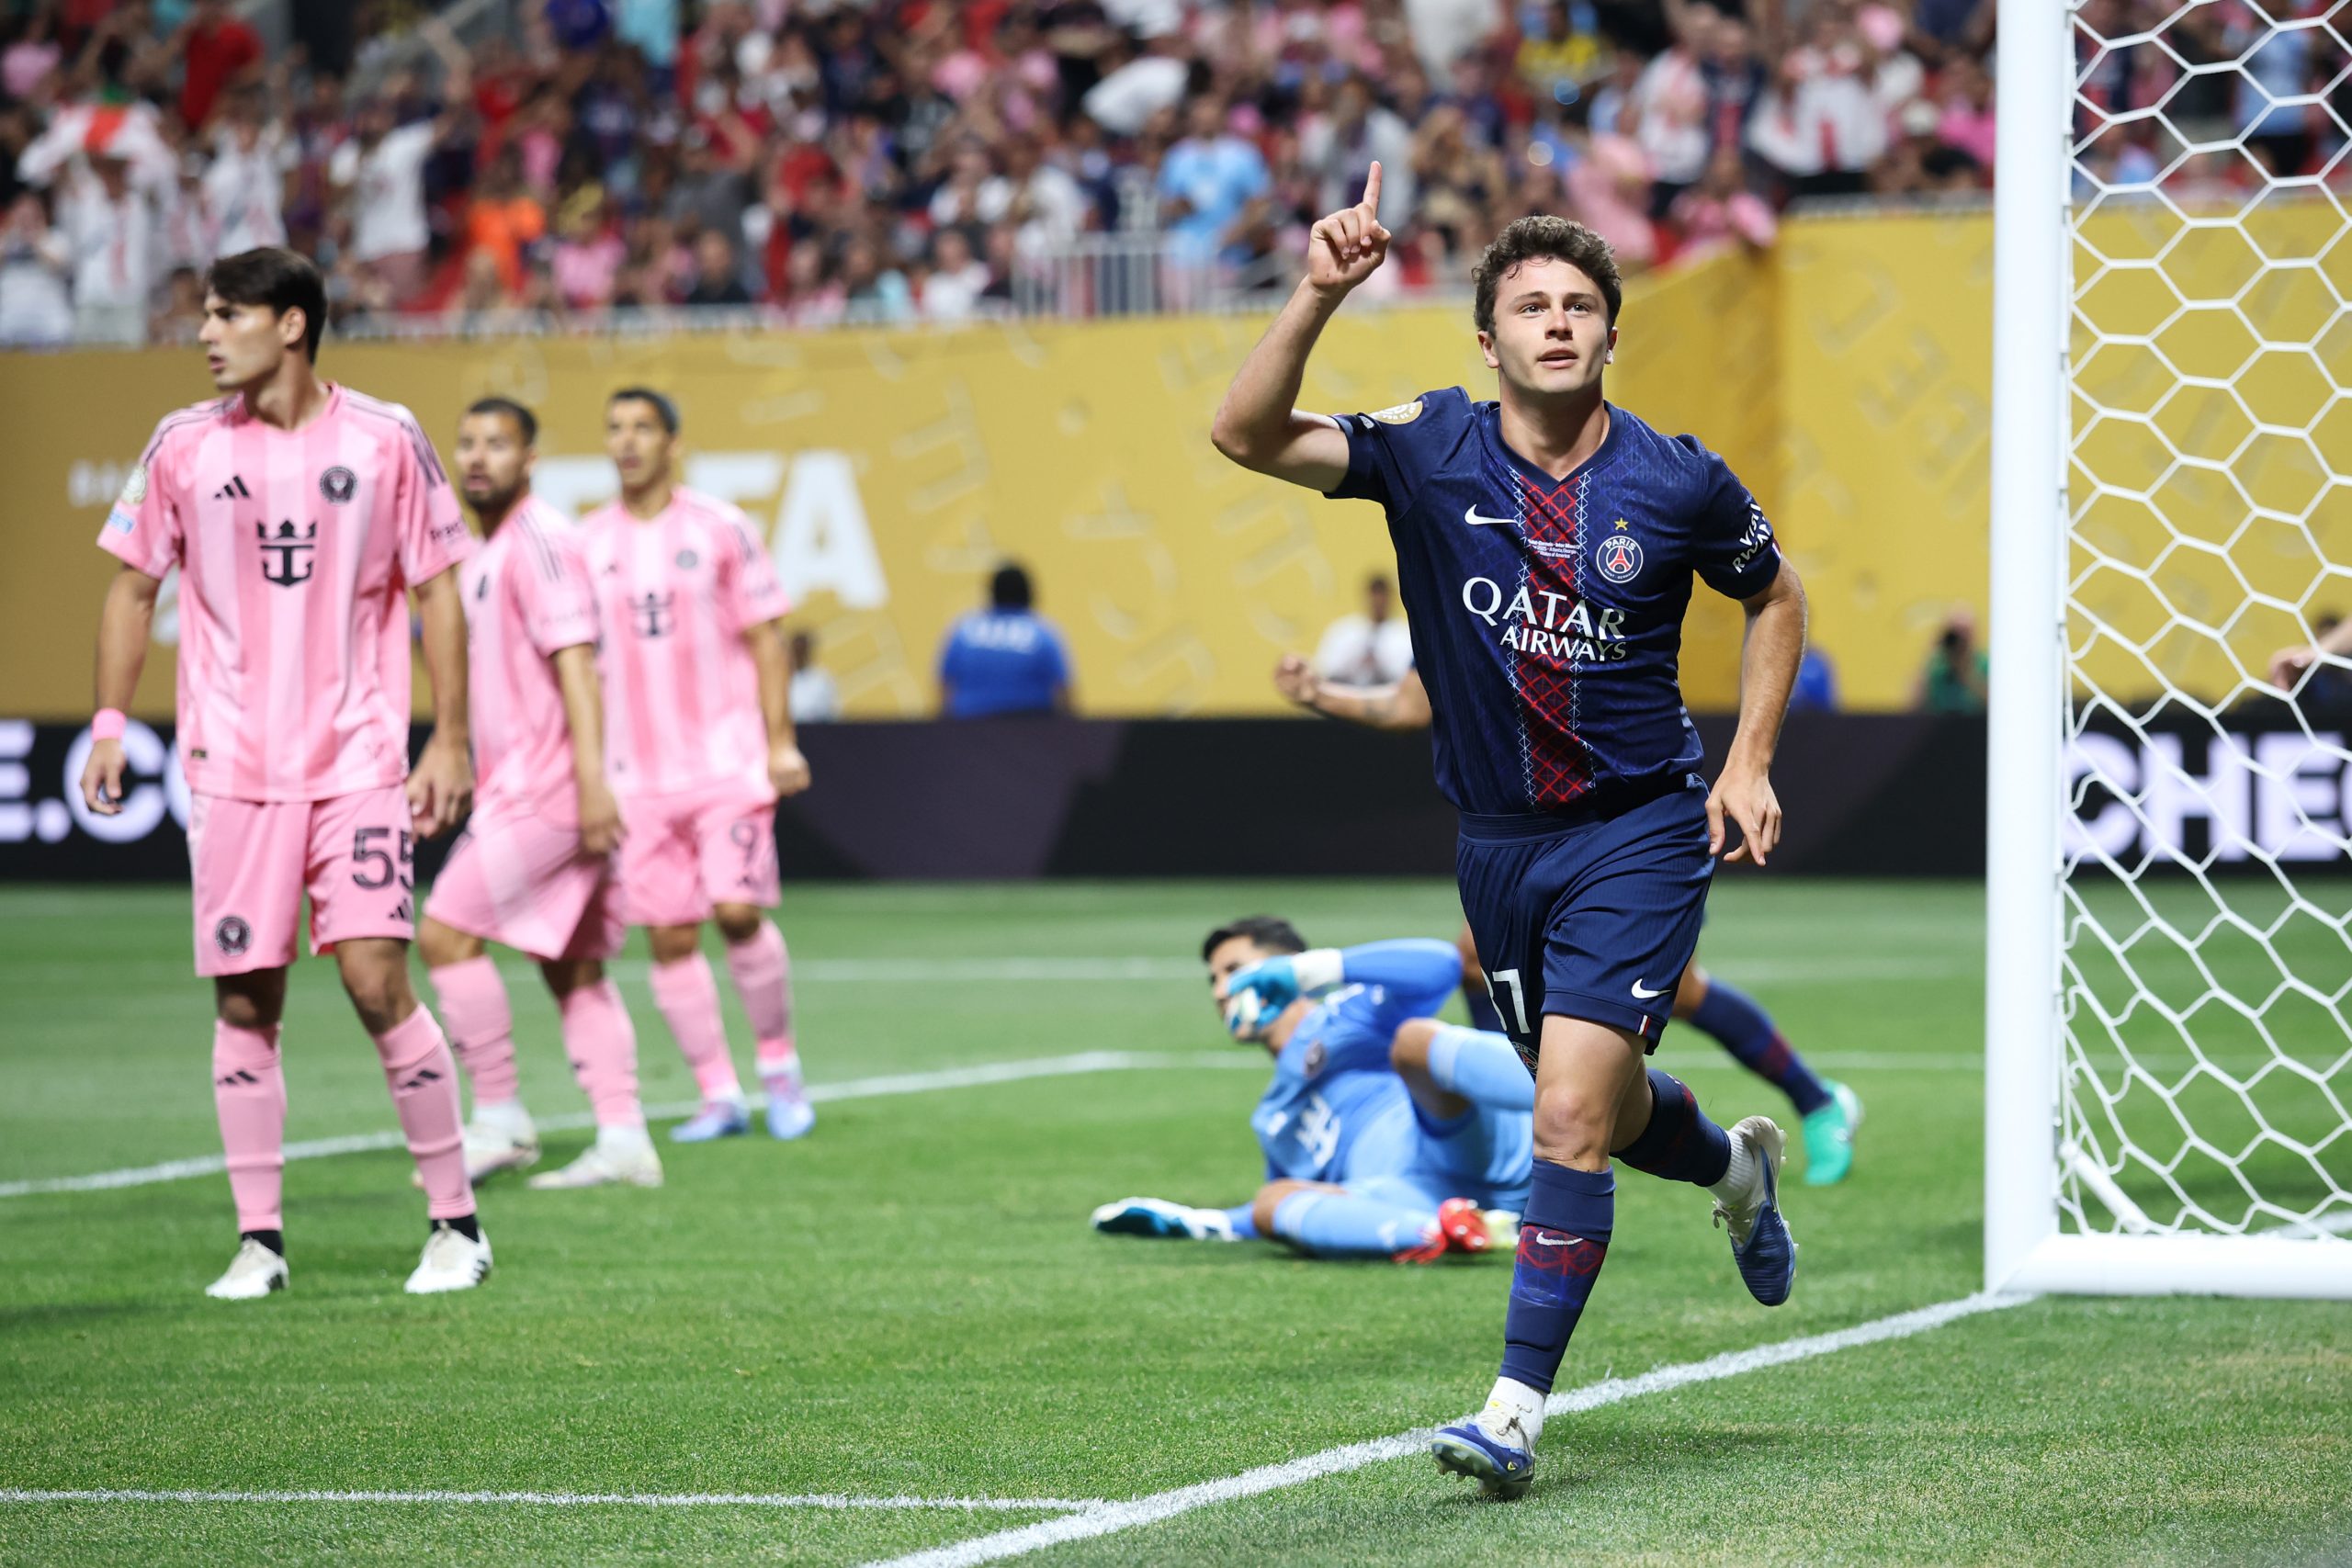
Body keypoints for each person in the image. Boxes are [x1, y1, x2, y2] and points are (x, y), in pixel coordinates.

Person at [1211, 172, 1809, 1498]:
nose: (1556, 321)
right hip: (1495, 845)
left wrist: (1751, 759)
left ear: (1610, 333)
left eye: (1581, 304)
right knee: (1598, 1103)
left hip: (1640, 828)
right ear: (1486, 337)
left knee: (1565, 1116)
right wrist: (1318, 289)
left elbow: (1777, 598)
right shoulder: (1428, 447)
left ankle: (1512, 1411)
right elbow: (1246, 435)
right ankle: (1736, 1169)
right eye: (1530, 303)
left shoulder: (1677, 478)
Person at [77, 247, 490, 1299]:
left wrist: (449, 739)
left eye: (228, 314)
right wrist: (112, 723)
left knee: (373, 980)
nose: (207, 332)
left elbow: (439, 592)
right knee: (247, 1003)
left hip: (355, 759)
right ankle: (259, 1241)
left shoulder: (388, 437)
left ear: (292, 324)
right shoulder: (180, 446)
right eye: (204, 313)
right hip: (229, 770)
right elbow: (131, 592)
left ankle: (456, 1223)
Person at [1273, 657, 1862, 1184]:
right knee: (1475, 962)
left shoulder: (1571, 570)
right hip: (1524, 832)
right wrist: (1320, 694)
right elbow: (1412, 700)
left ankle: (1817, 1103)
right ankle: (1528, 1124)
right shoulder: (1458, 586)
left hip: (1623, 825)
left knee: (1680, 991)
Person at [414, 398, 660, 1192]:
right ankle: (624, 1138)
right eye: (468, 442)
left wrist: (592, 782)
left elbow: (577, 664)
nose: (479, 457)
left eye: (498, 444)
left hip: (550, 791)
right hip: (523, 786)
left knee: (446, 933)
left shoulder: (543, 540)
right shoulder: (483, 555)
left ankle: (499, 1118)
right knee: (575, 968)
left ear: (531, 459)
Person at [579, 388, 817, 1143]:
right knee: (670, 936)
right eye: (615, 428)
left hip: (724, 759)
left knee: (738, 911)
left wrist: (779, 741)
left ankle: (780, 1071)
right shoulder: (586, 543)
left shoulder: (720, 527)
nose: (628, 442)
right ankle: (719, 1092)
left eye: (642, 428)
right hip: (636, 776)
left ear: (672, 443)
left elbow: (768, 639)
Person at [1092, 917, 1534, 1262]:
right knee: (1273, 1200)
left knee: (1413, 1042)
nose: (1223, 990)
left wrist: (1314, 970)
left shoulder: (1344, 1016)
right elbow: (1286, 1214)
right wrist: (1192, 1221)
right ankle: (1450, 1232)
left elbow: (1442, 965)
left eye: (1234, 970)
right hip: (1412, 1196)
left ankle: (1567, 1096)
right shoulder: (1271, 1119)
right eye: (1213, 980)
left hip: (1462, 1142)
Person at [937, 562, 1073, 718]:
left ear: (992, 594)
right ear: (1029, 594)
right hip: (1030, 731)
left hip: (970, 730)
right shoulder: (1042, 633)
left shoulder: (964, 632)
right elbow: (1063, 692)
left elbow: (944, 689)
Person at [1312, 573, 1416, 688]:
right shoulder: (1343, 631)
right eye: (1375, 594)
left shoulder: (1405, 635)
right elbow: (1324, 670)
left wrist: (1382, 666)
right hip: (1346, 698)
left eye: (1382, 594)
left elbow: (1410, 677)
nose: (1378, 600)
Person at [1916, 608, 1987, 713]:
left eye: (1965, 632)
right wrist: (1930, 654)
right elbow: (1915, 705)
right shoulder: (1938, 667)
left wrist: (1965, 673)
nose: (1960, 639)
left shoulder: (1985, 665)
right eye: (1955, 632)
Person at [788, 627, 842, 721]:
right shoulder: (779, 679)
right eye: (796, 650)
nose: (799, 654)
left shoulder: (822, 680)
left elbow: (831, 713)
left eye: (802, 650)